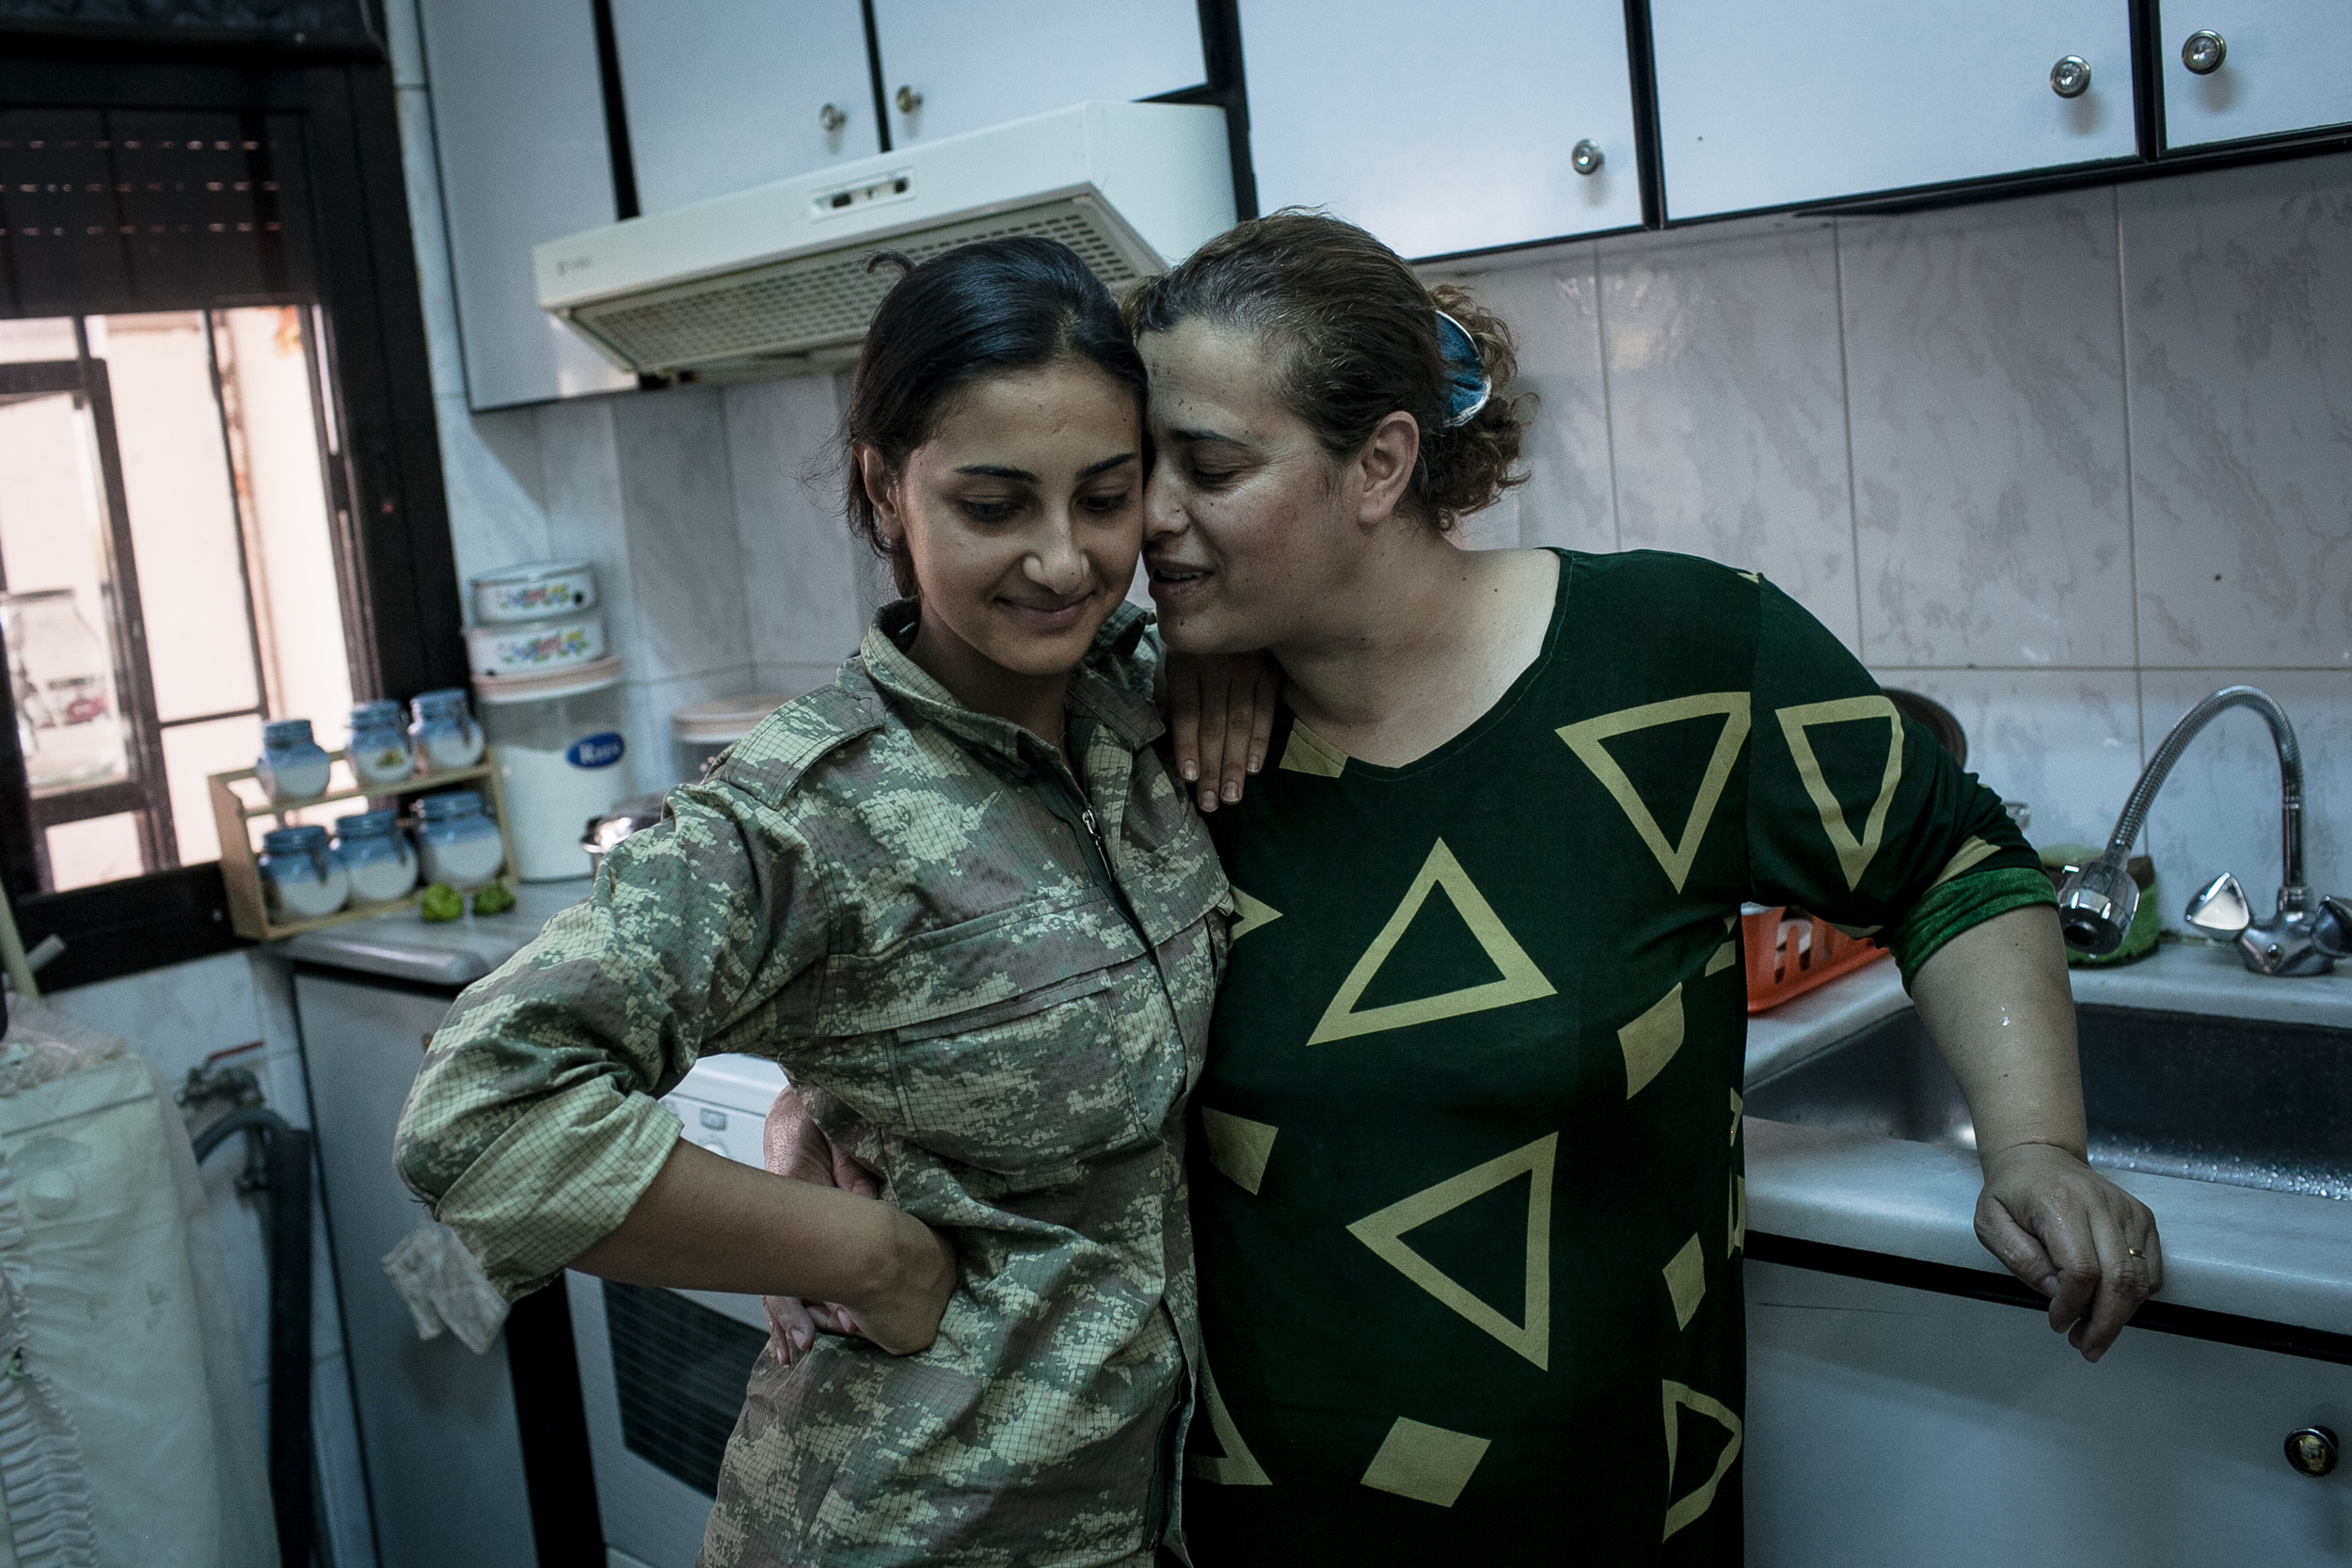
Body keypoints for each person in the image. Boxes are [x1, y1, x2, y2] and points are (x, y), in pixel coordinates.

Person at [772, 210, 2164, 1565]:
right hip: (1247, 1516)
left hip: (1609, 1505)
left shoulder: (1678, 659)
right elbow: (964, 945)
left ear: (1379, 463)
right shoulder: (1137, 727)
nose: (1152, 526)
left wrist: (2037, 1145)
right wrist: (832, 1097)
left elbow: (1954, 861)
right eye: (1151, 472)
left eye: (1207, 468)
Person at [392, 236, 1231, 1567]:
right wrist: (863, 1252)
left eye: (1106, 497)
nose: (1065, 561)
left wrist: (1223, 654)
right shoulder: (809, 805)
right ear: (886, 492)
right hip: (915, 1525)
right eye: (995, 505)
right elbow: (483, 1112)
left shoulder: (1141, 695)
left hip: (1137, 1515)